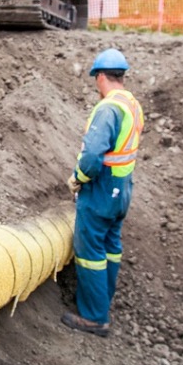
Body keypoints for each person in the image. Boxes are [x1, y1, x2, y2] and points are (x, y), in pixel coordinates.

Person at [63, 48, 144, 338]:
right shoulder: (131, 104)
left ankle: (95, 317)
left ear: (100, 76)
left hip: (101, 189)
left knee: (89, 251)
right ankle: (102, 301)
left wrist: (78, 179)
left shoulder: (108, 108)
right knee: (110, 246)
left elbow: (93, 154)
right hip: (122, 189)